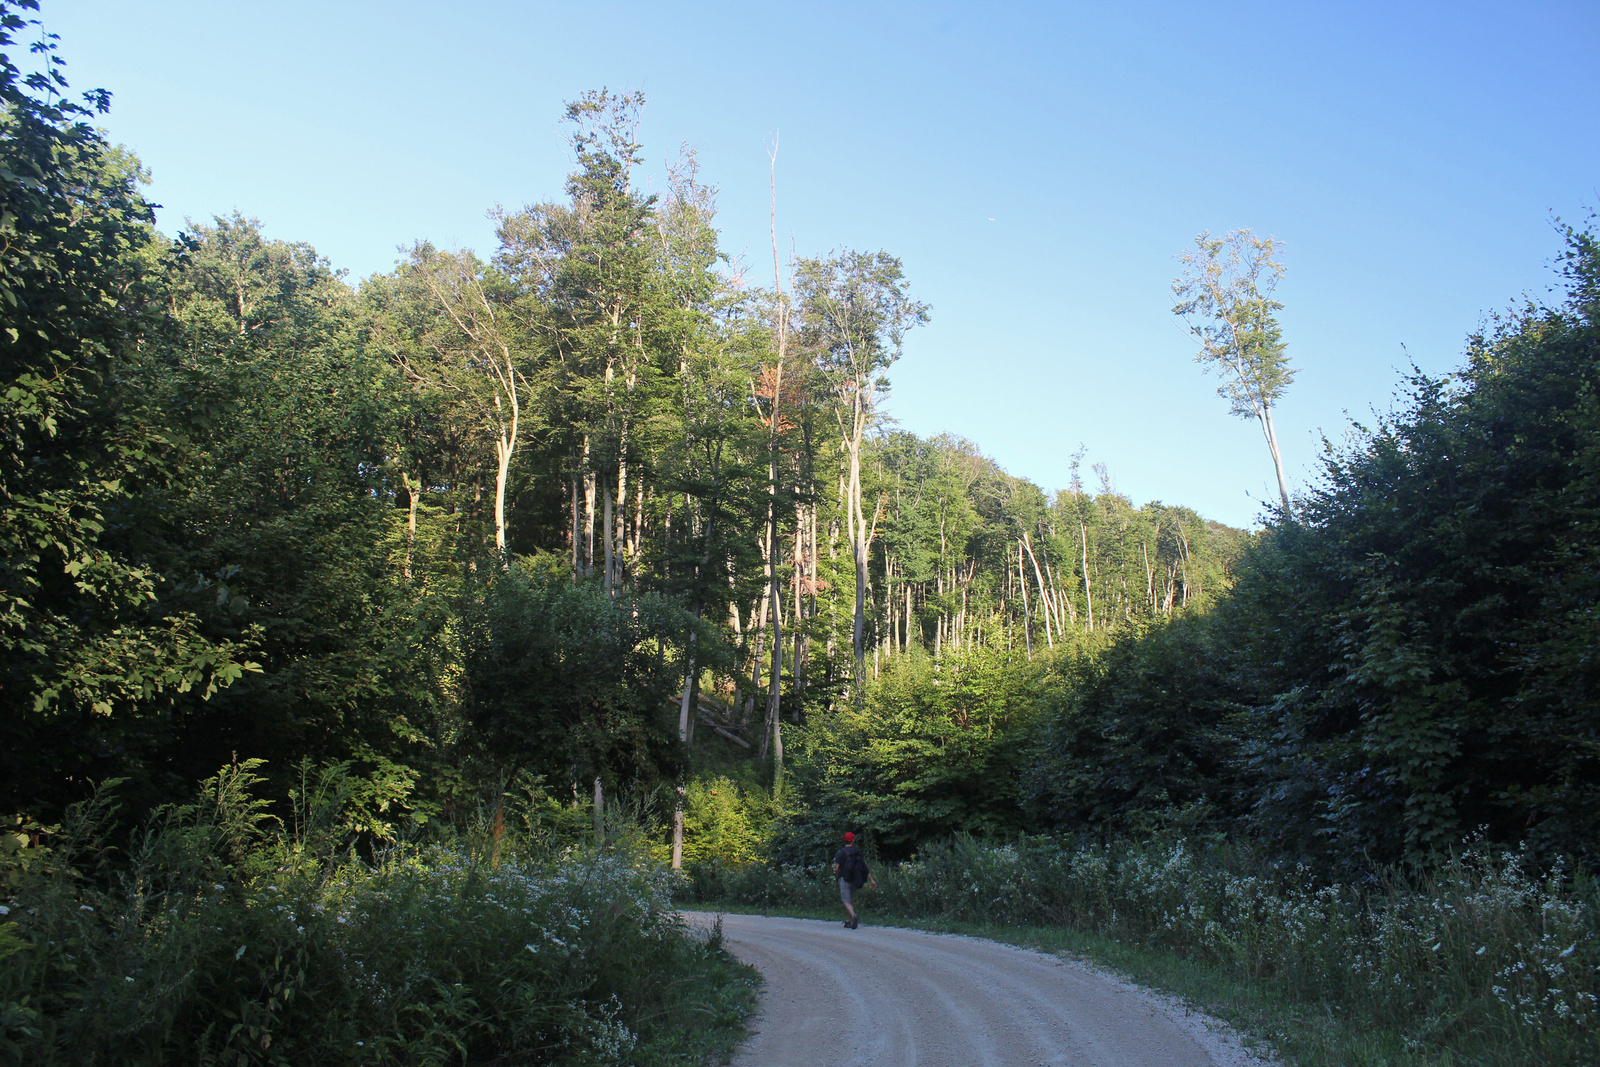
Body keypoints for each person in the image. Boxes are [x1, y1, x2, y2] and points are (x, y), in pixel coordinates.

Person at [832, 831, 876, 929]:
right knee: (850, 900)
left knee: (845, 900)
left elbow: (836, 868)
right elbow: (863, 867)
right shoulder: (857, 851)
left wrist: (837, 876)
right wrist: (872, 880)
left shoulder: (840, 852)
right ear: (853, 840)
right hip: (855, 879)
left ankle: (854, 915)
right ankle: (848, 921)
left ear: (844, 840)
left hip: (844, 878)